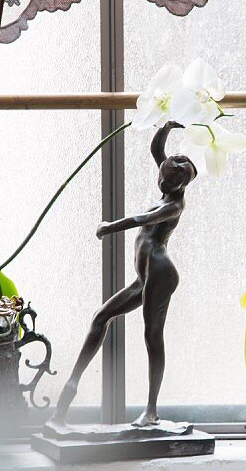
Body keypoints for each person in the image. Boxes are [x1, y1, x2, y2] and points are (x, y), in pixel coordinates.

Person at [47, 122, 196, 429]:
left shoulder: (175, 205)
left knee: (152, 337)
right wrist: (166, 126)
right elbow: (156, 149)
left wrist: (108, 228)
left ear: (182, 185)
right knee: (101, 317)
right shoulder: (168, 183)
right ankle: (69, 392)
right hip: (144, 277)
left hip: (160, 273)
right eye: (169, 171)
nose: (170, 178)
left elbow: (143, 218)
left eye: (177, 178)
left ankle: (151, 410)